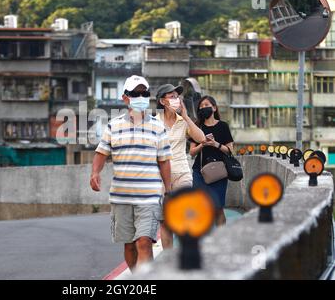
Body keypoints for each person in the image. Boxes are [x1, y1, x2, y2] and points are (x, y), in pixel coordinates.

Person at [90, 75, 172, 271]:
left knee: (144, 242)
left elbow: (164, 161)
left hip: (150, 197)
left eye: (145, 93)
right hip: (121, 197)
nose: (141, 97)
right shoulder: (113, 126)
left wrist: (168, 190)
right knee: (129, 246)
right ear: (125, 98)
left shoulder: (158, 127)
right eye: (136, 93)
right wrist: (95, 173)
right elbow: (102, 152)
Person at [155, 84, 206, 249]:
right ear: (163, 101)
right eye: (171, 96)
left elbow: (201, 138)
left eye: (177, 96)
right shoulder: (153, 123)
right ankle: (169, 259)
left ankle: (187, 252)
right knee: (165, 222)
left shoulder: (182, 121)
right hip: (160, 177)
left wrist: (186, 116)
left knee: (186, 215)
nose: (176, 99)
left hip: (182, 173)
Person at [189, 96, 234, 226]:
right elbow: (192, 152)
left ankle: (221, 238)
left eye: (206, 105)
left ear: (214, 108)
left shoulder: (223, 126)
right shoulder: (197, 127)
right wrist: (202, 144)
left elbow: (230, 149)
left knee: (218, 208)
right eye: (201, 107)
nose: (204, 108)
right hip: (200, 171)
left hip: (219, 172)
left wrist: (215, 144)